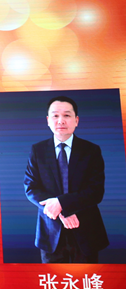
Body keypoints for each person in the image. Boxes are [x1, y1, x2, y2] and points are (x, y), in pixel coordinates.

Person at [24, 96, 109, 263]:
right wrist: (62, 211)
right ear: (48, 121)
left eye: (67, 115)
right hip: (50, 231)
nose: (61, 120)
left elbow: (96, 191)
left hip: (85, 230)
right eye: (55, 115)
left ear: (76, 120)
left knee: (86, 278)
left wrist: (61, 204)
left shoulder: (91, 150)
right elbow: (30, 188)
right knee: (53, 278)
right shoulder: (38, 150)